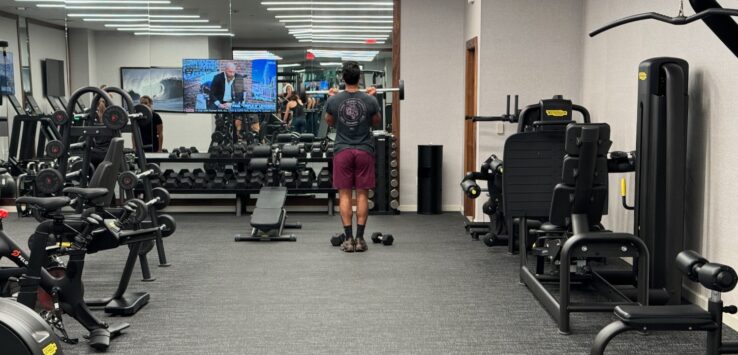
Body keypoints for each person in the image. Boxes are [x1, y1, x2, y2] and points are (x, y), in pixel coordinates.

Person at [324, 61, 380, 253]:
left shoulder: (334, 100)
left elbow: (330, 122)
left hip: (342, 151)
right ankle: (360, 239)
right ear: (360, 78)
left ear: (342, 78)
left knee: (345, 194)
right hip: (364, 150)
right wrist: (372, 98)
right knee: (363, 193)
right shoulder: (371, 100)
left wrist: (331, 99)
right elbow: (375, 122)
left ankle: (348, 240)